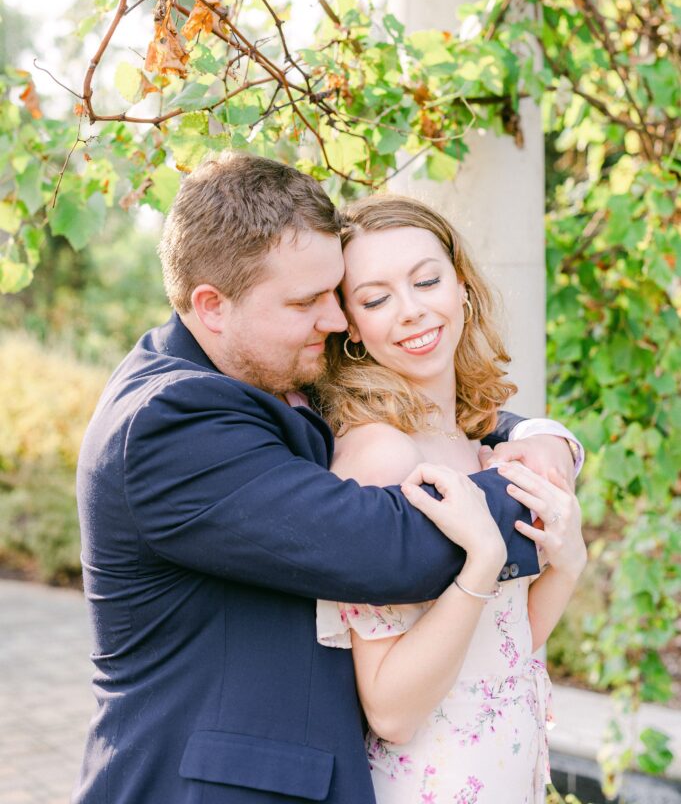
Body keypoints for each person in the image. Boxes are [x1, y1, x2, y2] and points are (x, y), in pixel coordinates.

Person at [74, 152, 583, 804]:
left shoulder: (267, 372)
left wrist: (539, 437)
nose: (338, 321)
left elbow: (441, 420)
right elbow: (379, 542)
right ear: (212, 306)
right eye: (309, 301)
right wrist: (528, 501)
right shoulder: (165, 425)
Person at [315, 195, 587, 803]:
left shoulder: (474, 439)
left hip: (509, 772)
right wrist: (482, 563)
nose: (411, 311)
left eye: (427, 280)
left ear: (461, 285)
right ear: (351, 327)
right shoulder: (380, 458)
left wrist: (569, 562)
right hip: (431, 783)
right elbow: (389, 710)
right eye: (377, 298)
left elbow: (503, 649)